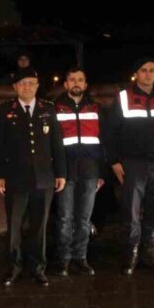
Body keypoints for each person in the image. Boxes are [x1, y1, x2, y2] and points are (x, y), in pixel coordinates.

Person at [0, 67, 66, 287]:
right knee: (14, 227)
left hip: (44, 178)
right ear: (15, 87)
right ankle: (14, 267)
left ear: (37, 86)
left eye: (31, 83)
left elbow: (57, 144)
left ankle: (38, 268)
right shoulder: (5, 110)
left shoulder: (48, 109)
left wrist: (61, 173)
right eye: (22, 83)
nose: (27, 87)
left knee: (39, 227)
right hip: (15, 178)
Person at [105, 57, 154, 276]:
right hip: (132, 162)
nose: (148, 74)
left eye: (152, 70)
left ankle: (149, 253)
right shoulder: (123, 97)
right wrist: (114, 161)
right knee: (131, 211)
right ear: (136, 74)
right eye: (143, 70)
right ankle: (131, 253)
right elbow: (110, 132)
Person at [53, 67, 105, 277]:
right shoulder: (55, 108)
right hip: (65, 171)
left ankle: (80, 257)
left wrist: (102, 173)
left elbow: (104, 141)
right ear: (65, 84)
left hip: (90, 171)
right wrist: (56, 171)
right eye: (72, 79)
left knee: (84, 218)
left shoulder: (96, 108)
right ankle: (64, 259)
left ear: (85, 84)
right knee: (65, 218)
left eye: (80, 80)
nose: (76, 83)